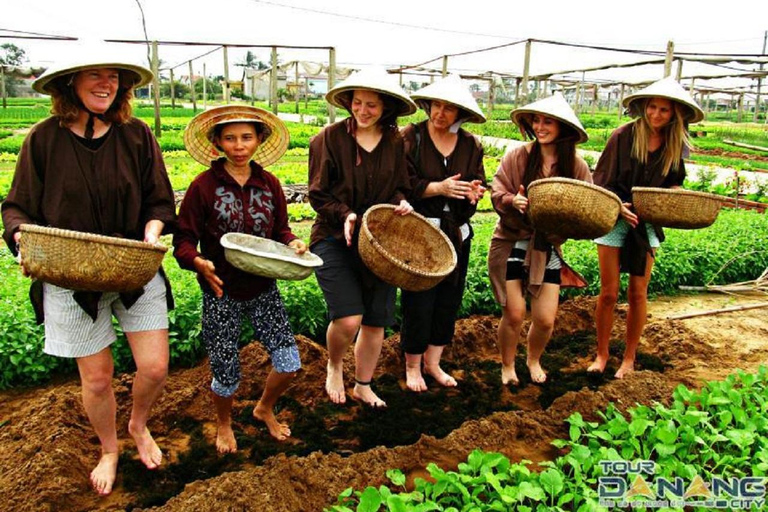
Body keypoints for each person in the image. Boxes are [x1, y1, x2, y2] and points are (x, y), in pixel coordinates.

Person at [1, 53, 176, 495]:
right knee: (97, 377)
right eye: (95, 75)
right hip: (69, 273)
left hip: (131, 266)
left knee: (154, 367)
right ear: (70, 82)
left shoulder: (135, 135)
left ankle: (138, 424)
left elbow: (159, 199)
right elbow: (17, 207)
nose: (106, 83)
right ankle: (110, 448)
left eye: (114, 76)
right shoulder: (43, 140)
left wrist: (153, 233)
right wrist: (22, 240)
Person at [174, 105, 304, 452]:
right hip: (221, 291)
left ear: (259, 139)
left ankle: (264, 409)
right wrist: (199, 262)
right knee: (226, 369)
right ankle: (224, 423)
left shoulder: (269, 184)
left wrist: (293, 243)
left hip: (264, 287)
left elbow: (281, 231)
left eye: (247, 137)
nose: (239, 145)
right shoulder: (202, 187)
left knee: (289, 362)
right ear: (217, 143)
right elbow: (183, 241)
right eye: (229, 138)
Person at [309, 68, 416, 408]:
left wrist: (401, 202)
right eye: (357, 103)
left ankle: (364, 384)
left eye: (371, 105)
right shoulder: (328, 139)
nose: (363, 111)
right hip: (333, 236)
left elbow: (401, 185)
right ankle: (335, 364)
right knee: (348, 317)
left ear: (386, 108)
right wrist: (345, 214)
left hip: (379, 242)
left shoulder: (395, 142)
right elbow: (318, 193)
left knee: (375, 321)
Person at [588, 77, 704, 379]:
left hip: (647, 221)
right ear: (643, 107)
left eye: (664, 110)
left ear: (674, 114)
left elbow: (675, 180)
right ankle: (601, 354)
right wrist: (618, 207)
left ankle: (629, 357)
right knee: (609, 293)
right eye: (652, 107)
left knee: (638, 293)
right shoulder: (623, 136)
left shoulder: (675, 144)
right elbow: (602, 180)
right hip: (616, 215)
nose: (656, 114)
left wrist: (676, 193)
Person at [487, 93, 591, 385]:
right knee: (515, 313)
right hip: (510, 241)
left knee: (545, 319)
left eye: (548, 122)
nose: (541, 126)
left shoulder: (575, 167)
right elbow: (497, 191)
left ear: (562, 128)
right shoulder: (517, 156)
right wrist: (513, 200)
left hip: (546, 247)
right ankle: (507, 365)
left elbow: (588, 200)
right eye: (537, 120)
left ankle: (533, 359)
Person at [400, 75, 486, 392]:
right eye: (436, 105)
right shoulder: (412, 137)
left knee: (449, 299)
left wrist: (475, 192)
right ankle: (412, 366)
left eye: (449, 109)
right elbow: (402, 184)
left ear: (460, 113)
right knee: (418, 299)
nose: (440, 113)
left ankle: (433, 363)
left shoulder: (470, 144)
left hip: (457, 234)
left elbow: (477, 180)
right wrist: (439, 187)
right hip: (422, 232)